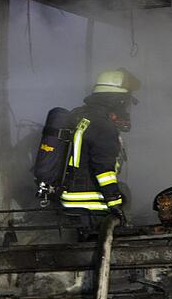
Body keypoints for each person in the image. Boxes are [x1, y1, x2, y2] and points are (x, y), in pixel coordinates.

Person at [35, 69, 141, 224]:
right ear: (118, 100)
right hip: (91, 206)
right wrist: (115, 204)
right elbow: (104, 169)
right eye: (126, 101)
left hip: (69, 201)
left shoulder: (80, 115)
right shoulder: (103, 126)